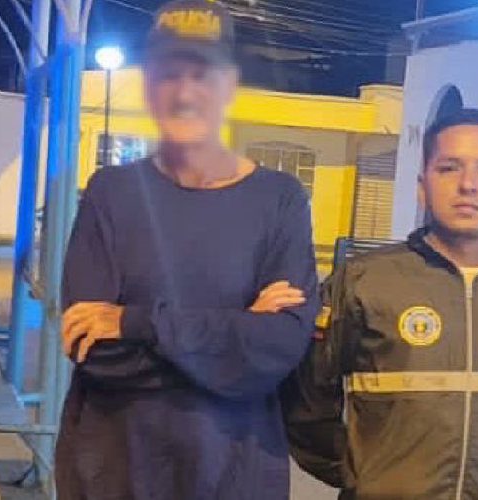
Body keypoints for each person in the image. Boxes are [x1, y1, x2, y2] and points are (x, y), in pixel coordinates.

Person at [56, 1, 319, 498]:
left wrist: (136, 323)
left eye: (202, 75)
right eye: (167, 75)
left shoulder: (279, 200)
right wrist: (236, 330)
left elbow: (277, 348)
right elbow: (94, 352)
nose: (183, 93)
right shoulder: (111, 193)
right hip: (114, 472)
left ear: (230, 85)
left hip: (236, 477)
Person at [283, 108, 478, 500]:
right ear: (422, 187)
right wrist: (362, 473)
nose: (468, 184)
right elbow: (307, 402)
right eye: (449, 168)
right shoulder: (364, 280)